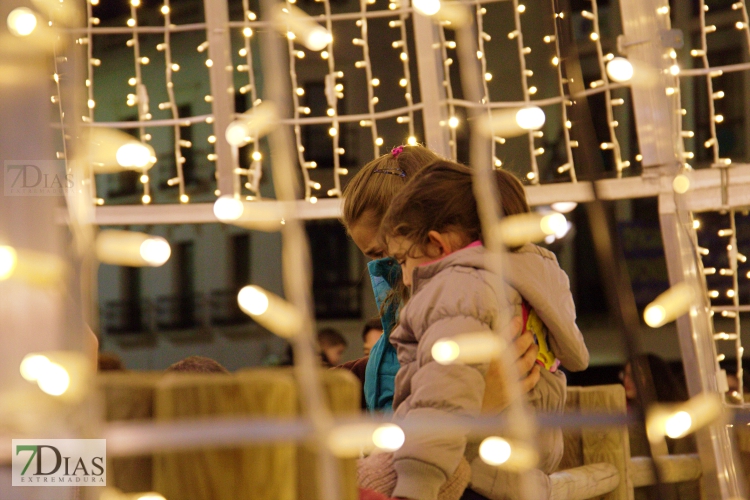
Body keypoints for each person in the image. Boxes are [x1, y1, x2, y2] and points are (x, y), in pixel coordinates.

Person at [356, 160, 588, 500]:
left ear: (436, 244)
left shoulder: (456, 290)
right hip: (520, 475)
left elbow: (440, 400)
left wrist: (415, 484)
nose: (404, 278)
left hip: (459, 477)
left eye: (401, 261)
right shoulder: (529, 282)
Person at [342, 145, 542, 414]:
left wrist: (476, 410)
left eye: (384, 254)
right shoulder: (415, 312)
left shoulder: (465, 305)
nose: (390, 270)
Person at [621, 354, 698, 500]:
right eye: (624, 375)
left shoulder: (675, 417)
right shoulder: (626, 418)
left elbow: (686, 473)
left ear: (653, 377)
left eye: (634, 375)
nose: (626, 381)